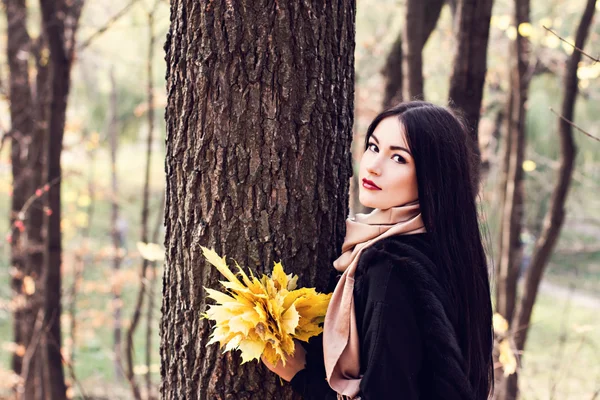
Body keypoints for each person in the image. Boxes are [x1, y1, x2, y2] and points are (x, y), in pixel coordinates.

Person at [262, 101, 495, 399]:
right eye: (373, 147)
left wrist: (301, 373)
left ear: (432, 176)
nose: (372, 165)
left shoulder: (391, 267)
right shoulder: (448, 252)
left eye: (398, 158)